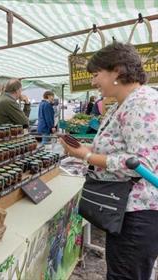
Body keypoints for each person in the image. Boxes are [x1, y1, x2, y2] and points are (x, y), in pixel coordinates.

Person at [60, 42, 158, 280]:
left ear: (116, 71)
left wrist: (86, 156)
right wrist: (87, 148)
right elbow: (120, 145)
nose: (93, 82)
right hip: (125, 210)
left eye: (96, 75)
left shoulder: (142, 103)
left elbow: (142, 164)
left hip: (136, 213)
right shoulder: (126, 102)